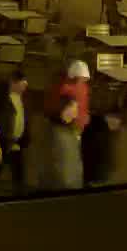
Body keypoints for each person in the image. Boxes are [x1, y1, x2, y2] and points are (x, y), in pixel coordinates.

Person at [45, 61, 92, 190]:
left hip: (75, 130)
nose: (82, 81)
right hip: (70, 129)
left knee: (71, 162)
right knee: (67, 163)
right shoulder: (68, 89)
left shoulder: (77, 88)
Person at [0, 70, 31, 194]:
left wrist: (24, 136)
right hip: (4, 140)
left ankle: (19, 188)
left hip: (16, 140)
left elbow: (24, 118)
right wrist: (3, 136)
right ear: (13, 83)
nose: (25, 87)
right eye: (22, 84)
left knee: (18, 167)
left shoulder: (22, 99)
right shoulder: (2, 99)